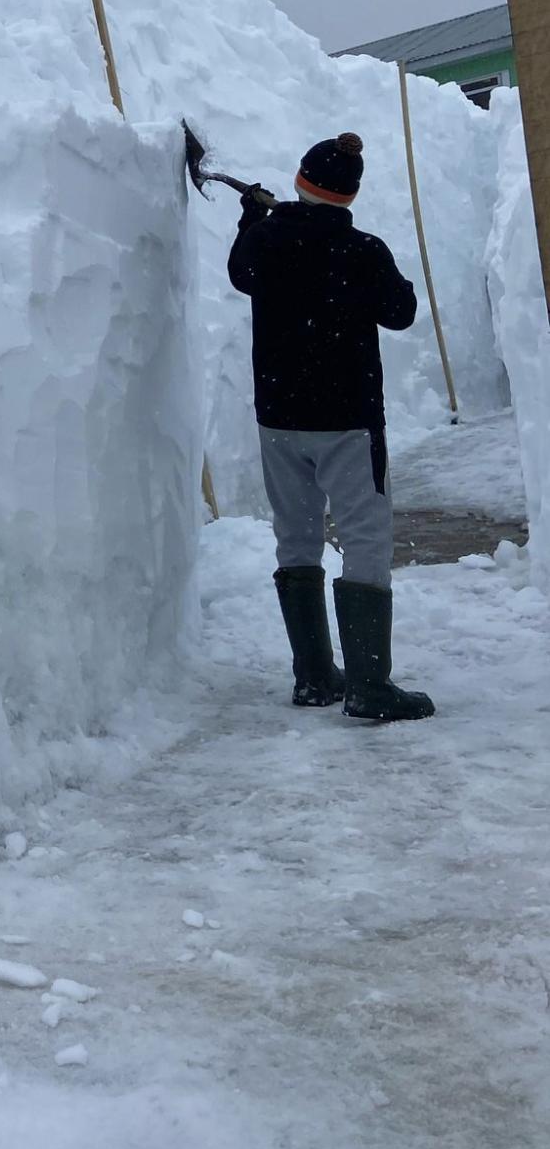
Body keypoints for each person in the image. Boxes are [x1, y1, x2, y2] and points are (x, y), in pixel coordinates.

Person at [227, 131, 435, 723]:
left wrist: (252, 218)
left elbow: (241, 273)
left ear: (299, 182)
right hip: (347, 423)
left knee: (296, 537)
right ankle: (369, 685)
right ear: (349, 197)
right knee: (364, 539)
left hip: (280, 420)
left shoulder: (266, 239)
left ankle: (315, 675)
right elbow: (401, 312)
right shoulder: (363, 251)